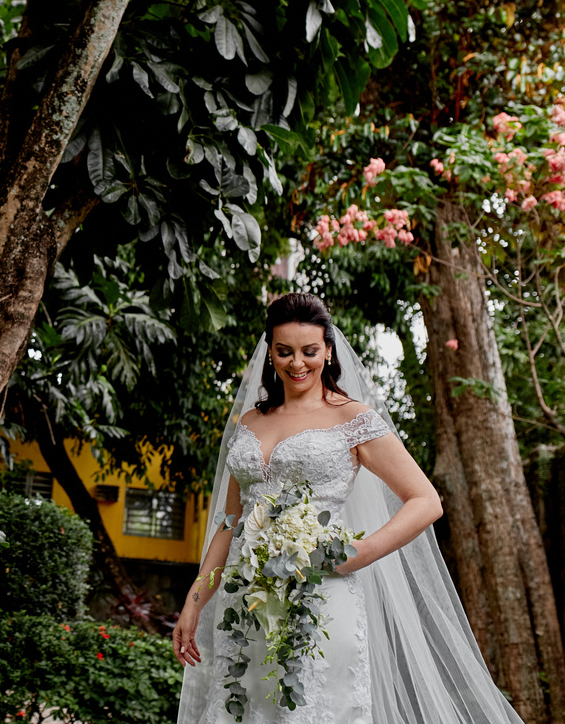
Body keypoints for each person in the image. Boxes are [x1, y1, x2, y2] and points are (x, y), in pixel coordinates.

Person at [172, 293, 523, 724]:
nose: (297, 363)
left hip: (320, 599)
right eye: (284, 352)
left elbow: (426, 501)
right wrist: (195, 601)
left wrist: (357, 554)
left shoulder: (352, 418)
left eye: (309, 351)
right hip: (249, 603)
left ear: (329, 350)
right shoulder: (250, 423)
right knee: (247, 709)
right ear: (270, 353)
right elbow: (229, 523)